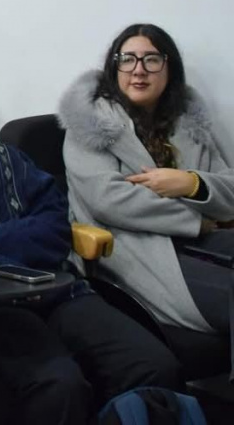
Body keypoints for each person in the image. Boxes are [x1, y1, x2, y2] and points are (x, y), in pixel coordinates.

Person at [0, 72, 182, 425]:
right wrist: (11, 253)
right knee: (60, 385)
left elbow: (55, 221)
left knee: (154, 364)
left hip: (57, 291)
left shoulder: (8, 159)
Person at [59, 23, 234, 375]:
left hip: (200, 243)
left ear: (170, 68)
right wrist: (196, 219)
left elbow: (228, 189)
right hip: (137, 252)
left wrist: (189, 183)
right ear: (115, 67)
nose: (138, 70)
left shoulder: (189, 123)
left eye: (151, 59)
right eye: (128, 59)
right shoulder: (90, 124)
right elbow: (108, 200)